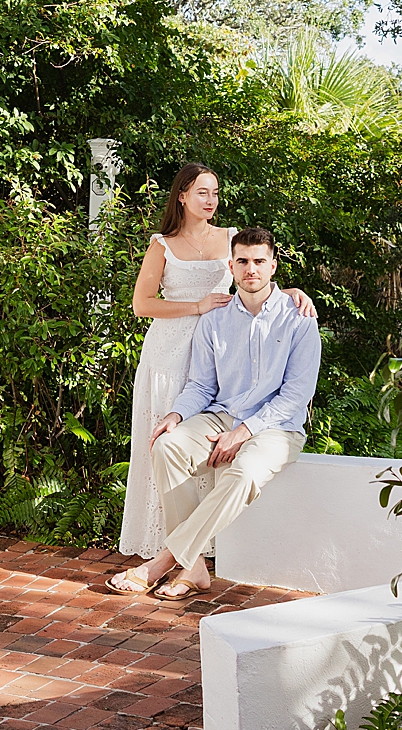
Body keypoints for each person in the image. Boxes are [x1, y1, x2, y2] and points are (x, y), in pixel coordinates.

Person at [116, 165, 314, 560]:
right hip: (177, 350)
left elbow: (253, 271)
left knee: (224, 460)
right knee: (167, 444)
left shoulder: (231, 239)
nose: (211, 200)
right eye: (202, 193)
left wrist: (289, 292)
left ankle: (182, 557)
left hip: (226, 344)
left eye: (215, 193)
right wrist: (198, 306)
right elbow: (141, 304)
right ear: (182, 196)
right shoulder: (163, 245)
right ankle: (178, 550)